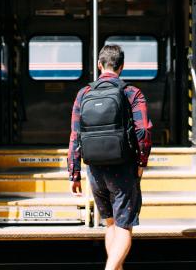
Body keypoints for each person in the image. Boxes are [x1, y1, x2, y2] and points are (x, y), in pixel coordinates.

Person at [67, 45, 153, 270]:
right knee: (124, 227)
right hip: (123, 168)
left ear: (99, 65)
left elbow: (76, 136)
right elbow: (143, 130)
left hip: (95, 169)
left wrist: (74, 173)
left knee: (111, 225)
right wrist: (142, 162)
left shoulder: (83, 93)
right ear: (122, 67)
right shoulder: (131, 93)